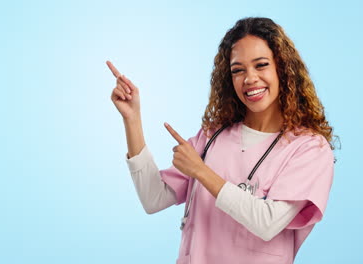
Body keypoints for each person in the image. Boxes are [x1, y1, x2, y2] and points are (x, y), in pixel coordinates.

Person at [107, 17, 335, 264]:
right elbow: (154, 199)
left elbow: (268, 223)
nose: (249, 79)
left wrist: (201, 172)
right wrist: (132, 119)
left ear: (282, 68)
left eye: (261, 65)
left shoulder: (309, 148)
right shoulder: (213, 136)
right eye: (238, 70)